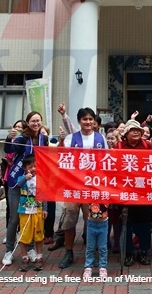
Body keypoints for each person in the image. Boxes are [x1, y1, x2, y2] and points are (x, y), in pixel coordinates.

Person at [58, 107, 108, 269]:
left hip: (93, 188)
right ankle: (69, 251)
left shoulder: (101, 138)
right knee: (70, 220)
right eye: (84, 119)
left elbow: (107, 161)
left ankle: (92, 252)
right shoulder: (71, 138)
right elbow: (61, 158)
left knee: (92, 221)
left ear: (94, 121)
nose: (88, 122)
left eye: (90, 119)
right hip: (73, 186)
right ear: (79, 121)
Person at [2, 111, 48, 266]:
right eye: (33, 121)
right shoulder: (22, 138)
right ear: (28, 122)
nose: (36, 123)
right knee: (14, 218)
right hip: (19, 182)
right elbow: (8, 150)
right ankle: (9, 250)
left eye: (38, 120)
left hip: (35, 184)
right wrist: (9, 137)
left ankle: (29, 249)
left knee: (31, 217)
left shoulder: (44, 138)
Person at [116, 119, 152, 266]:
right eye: (133, 130)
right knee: (126, 224)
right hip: (126, 191)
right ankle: (128, 253)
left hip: (144, 192)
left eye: (138, 130)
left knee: (145, 225)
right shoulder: (119, 146)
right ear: (126, 133)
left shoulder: (148, 145)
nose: (136, 132)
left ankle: (143, 252)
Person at [16, 155, 47, 272]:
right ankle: (25, 258)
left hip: (38, 210)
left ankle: (39, 257)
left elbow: (44, 195)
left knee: (39, 235)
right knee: (24, 236)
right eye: (30, 166)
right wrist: (26, 178)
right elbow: (17, 185)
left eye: (35, 166)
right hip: (25, 211)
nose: (33, 168)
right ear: (25, 168)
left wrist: (45, 209)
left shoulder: (41, 179)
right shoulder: (22, 178)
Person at [2, 119, 27, 244]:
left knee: (28, 214)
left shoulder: (38, 139)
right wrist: (9, 138)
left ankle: (28, 244)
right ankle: (10, 244)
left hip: (30, 181)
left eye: (20, 127)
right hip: (12, 178)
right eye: (15, 127)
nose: (17, 129)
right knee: (12, 214)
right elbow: (8, 151)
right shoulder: (18, 140)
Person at [83, 198, 109, 279]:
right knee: (90, 247)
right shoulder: (90, 192)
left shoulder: (106, 193)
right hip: (91, 222)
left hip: (103, 223)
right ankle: (88, 267)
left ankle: (103, 267)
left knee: (103, 247)